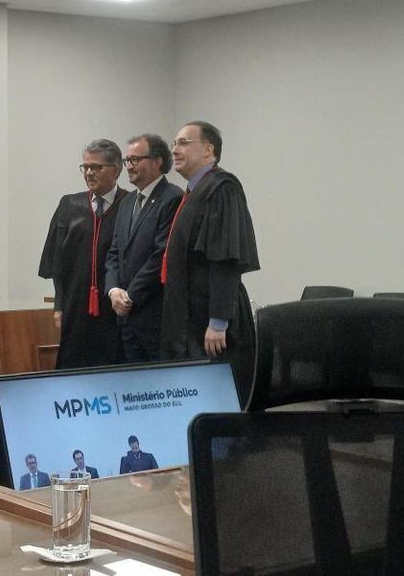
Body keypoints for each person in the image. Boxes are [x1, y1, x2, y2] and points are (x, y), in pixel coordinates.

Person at [159, 120, 259, 405]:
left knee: (218, 398)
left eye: (183, 143)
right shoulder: (195, 191)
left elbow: (225, 257)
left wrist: (218, 321)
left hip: (211, 322)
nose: (175, 150)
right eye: (174, 144)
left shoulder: (223, 188)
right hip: (190, 315)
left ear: (208, 150)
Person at [39, 139, 127, 368]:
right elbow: (57, 262)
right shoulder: (70, 205)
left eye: (96, 167)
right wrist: (59, 306)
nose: (88, 173)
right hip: (75, 306)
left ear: (116, 170)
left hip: (116, 308)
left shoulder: (130, 205)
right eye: (85, 167)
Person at [105, 133, 183, 362]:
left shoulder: (172, 198)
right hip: (126, 318)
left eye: (135, 160)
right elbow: (115, 252)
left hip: (155, 317)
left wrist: (130, 296)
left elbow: (161, 256)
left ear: (158, 161)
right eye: (127, 160)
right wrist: (113, 290)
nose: (129, 166)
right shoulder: (127, 202)